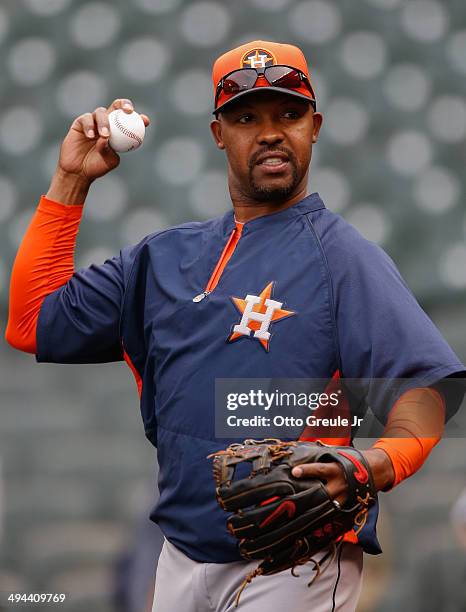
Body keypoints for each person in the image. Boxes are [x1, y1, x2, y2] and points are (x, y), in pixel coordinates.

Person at [5, 40, 466, 612]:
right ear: (219, 133)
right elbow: (31, 322)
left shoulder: (343, 257)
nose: (270, 132)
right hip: (177, 556)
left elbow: (427, 388)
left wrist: (376, 463)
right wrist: (70, 181)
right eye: (246, 117)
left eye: (288, 115)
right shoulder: (161, 259)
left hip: (295, 565)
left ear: (314, 126)